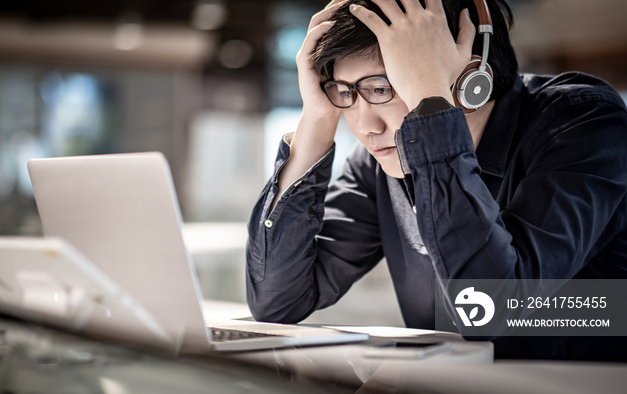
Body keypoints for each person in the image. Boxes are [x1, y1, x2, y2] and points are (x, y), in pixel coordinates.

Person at [246, 0, 627, 360]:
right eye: (345, 93)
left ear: (469, 76)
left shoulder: (582, 124)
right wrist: (315, 126)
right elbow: (278, 301)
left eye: (382, 89)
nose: (364, 127)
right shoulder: (380, 163)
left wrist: (431, 101)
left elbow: (489, 310)